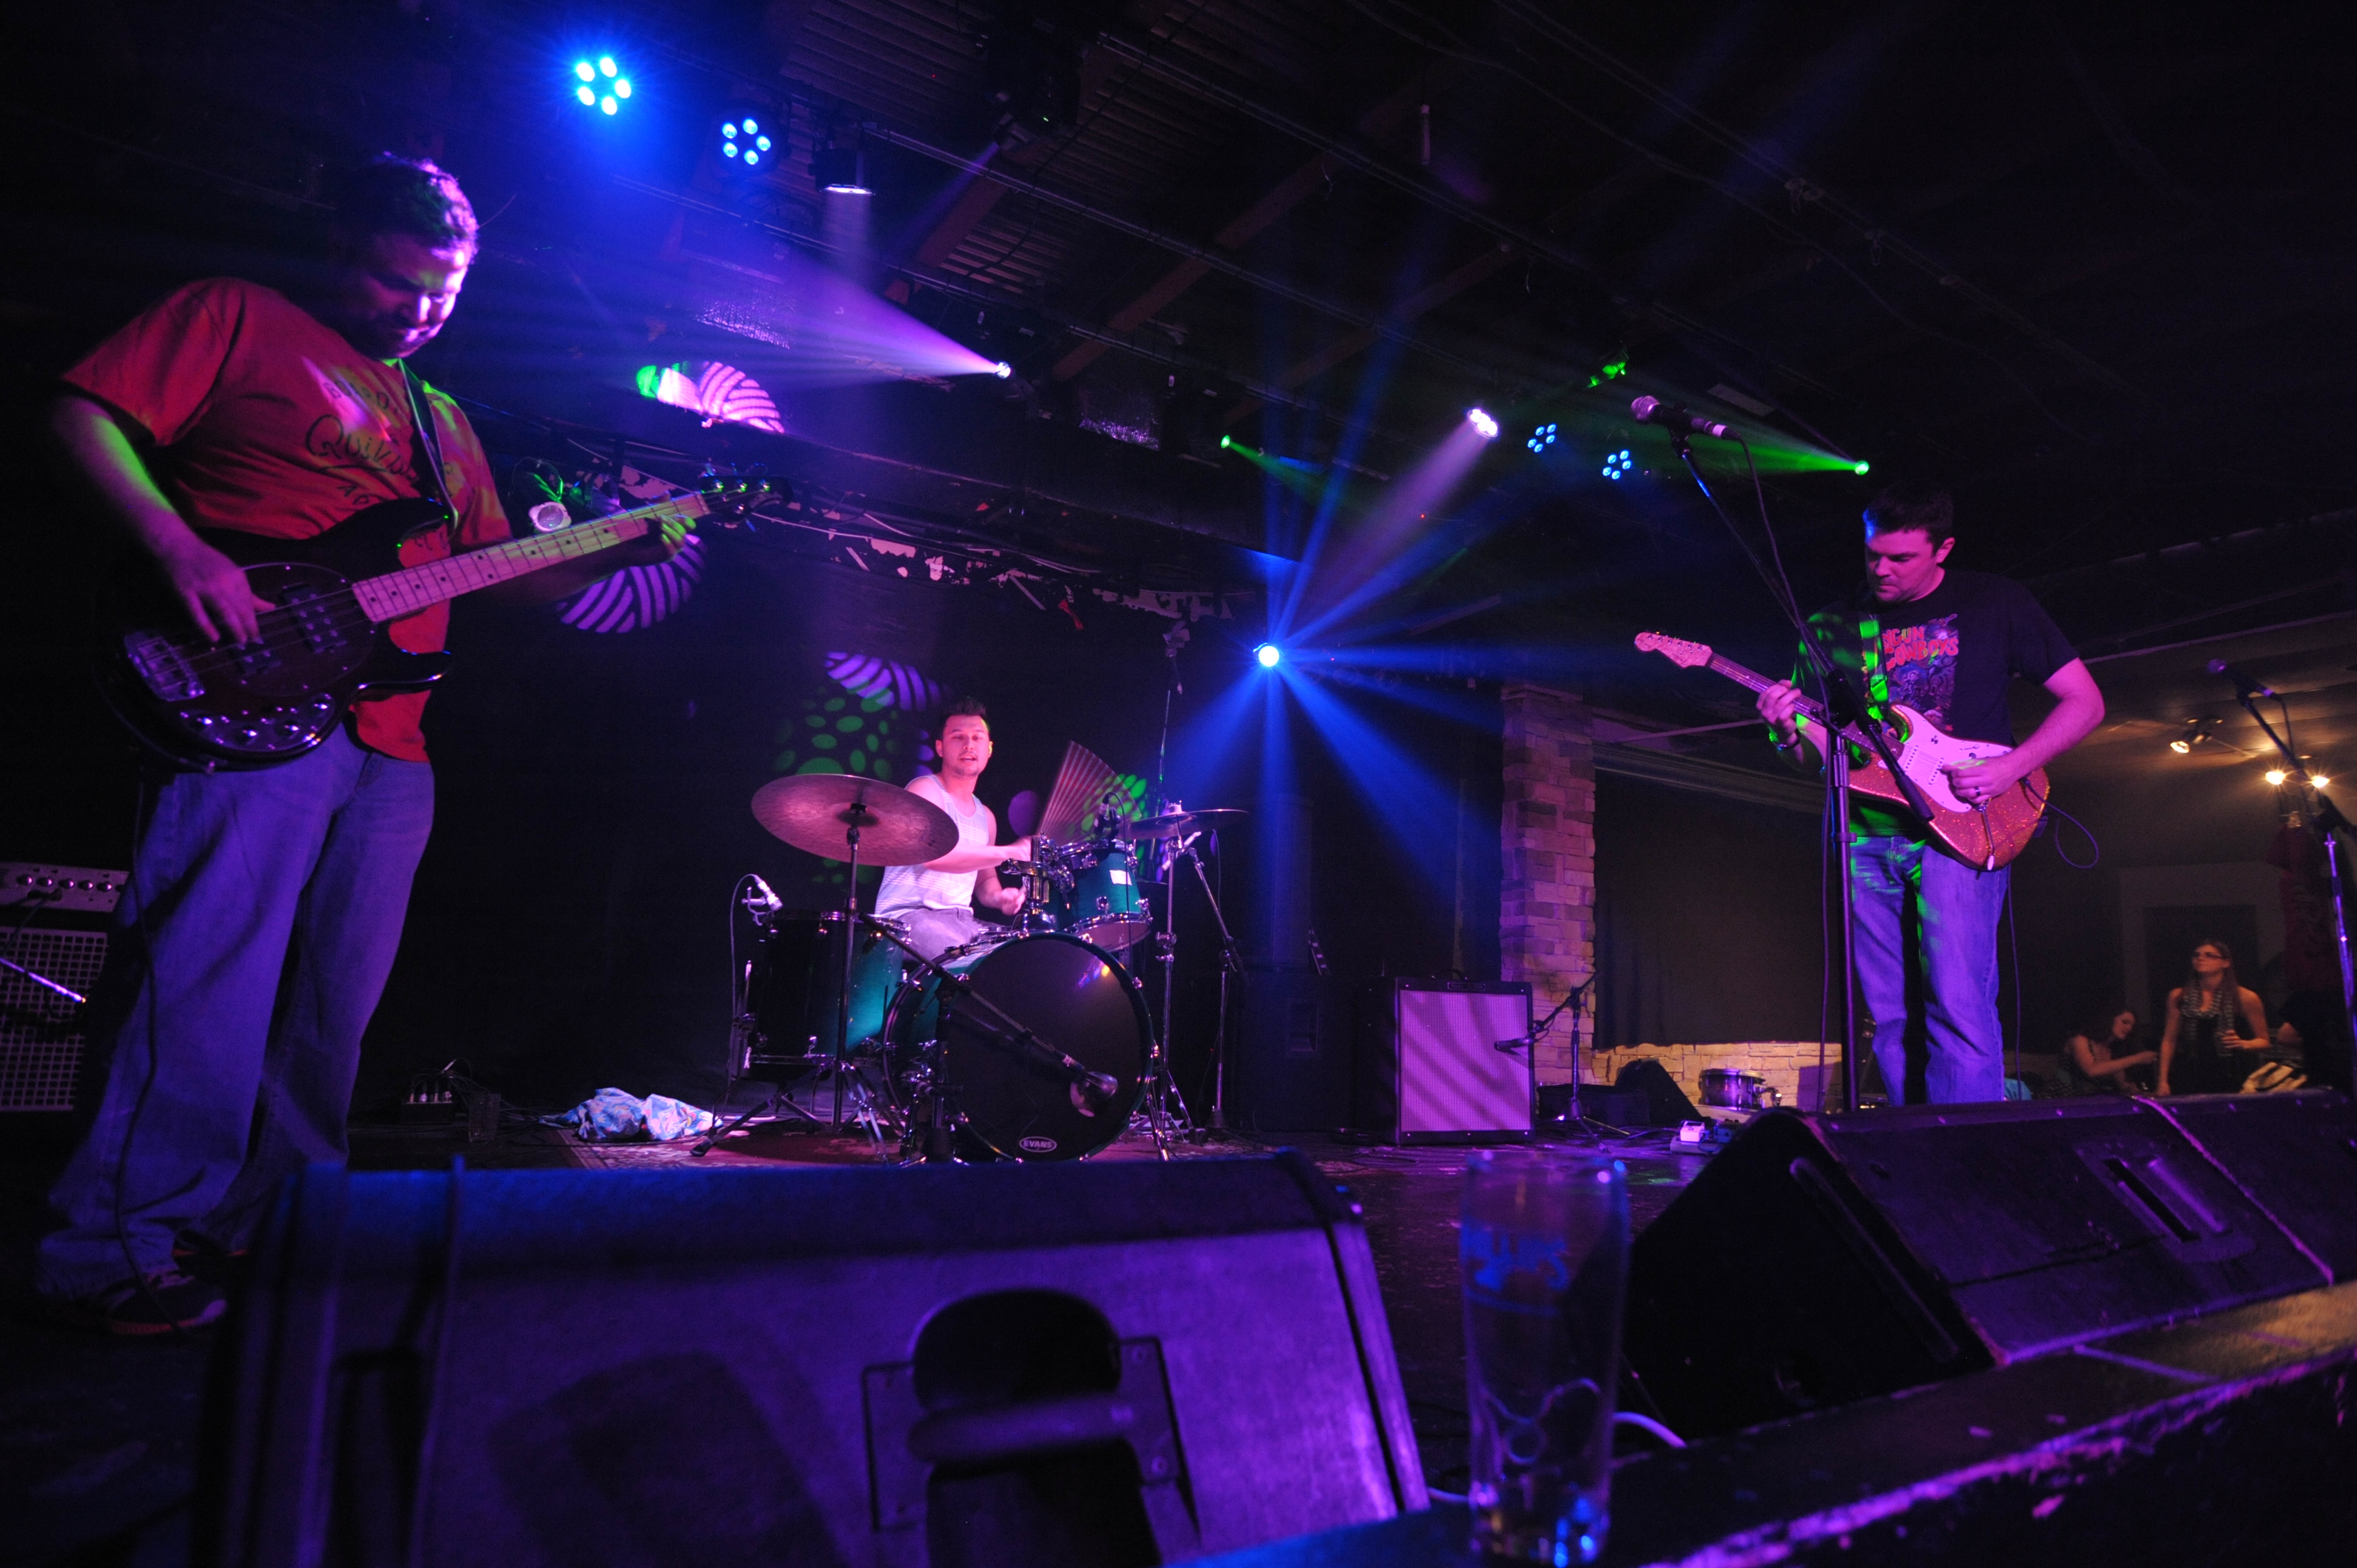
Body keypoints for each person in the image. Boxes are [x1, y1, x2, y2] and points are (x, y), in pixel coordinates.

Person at [37, 155, 684, 1333]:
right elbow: (80, 415)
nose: (419, 312)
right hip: (242, 693)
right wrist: (181, 550)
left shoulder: (442, 420)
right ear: (339, 246)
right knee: (203, 980)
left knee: (330, 1015)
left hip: (391, 740)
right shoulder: (238, 316)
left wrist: (615, 545)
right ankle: (113, 1250)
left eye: (445, 293)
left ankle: (273, 1230)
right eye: (397, 283)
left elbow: (495, 576)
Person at [1756, 483, 2105, 1104]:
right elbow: (1816, 757)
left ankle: (1965, 1146)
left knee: (1957, 1001)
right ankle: (1911, 1140)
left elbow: (2085, 702)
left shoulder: (1994, 602)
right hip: (1864, 834)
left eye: (1901, 558)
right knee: (1890, 1014)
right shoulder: (1830, 627)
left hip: (1961, 827)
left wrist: (2012, 767)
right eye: (1872, 555)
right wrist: (1786, 732)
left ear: (1942, 549)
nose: (1881, 570)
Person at [873, 699, 1033, 961]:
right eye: (958, 737)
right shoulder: (925, 790)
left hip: (963, 921)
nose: (969, 745)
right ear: (940, 747)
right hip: (908, 918)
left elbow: (984, 881)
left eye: (977, 738)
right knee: (971, 963)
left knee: (1022, 953)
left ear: (989, 749)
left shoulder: (986, 817)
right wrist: (1008, 852)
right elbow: (935, 857)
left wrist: (1000, 897)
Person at [2157, 939, 2270, 1096]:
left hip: (2231, 1073)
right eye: (2196, 955)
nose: (2200, 958)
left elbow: (2264, 1041)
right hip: (2190, 1072)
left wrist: (2243, 1044)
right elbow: (2169, 1040)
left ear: (2225, 963)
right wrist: (2163, 1080)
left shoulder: (2245, 997)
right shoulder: (2180, 996)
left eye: (2209, 955)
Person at [2060, 1008, 2155, 1095]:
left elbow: (2123, 1085)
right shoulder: (2079, 1040)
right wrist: (2138, 1058)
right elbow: (2091, 1070)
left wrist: (2144, 1093)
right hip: (2064, 1098)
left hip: (2092, 1101)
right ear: (2109, 1020)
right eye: (2125, 1022)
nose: (2129, 1028)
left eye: (2132, 1026)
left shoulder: (2113, 1049)